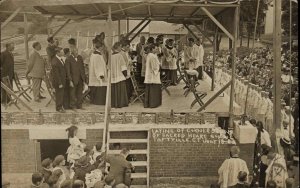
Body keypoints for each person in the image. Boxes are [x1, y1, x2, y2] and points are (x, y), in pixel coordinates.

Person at [88, 39, 107, 105]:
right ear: (101, 47)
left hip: (95, 74)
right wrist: (101, 74)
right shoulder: (97, 56)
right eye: (103, 47)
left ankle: (95, 101)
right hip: (98, 75)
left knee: (96, 88)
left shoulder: (95, 54)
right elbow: (98, 66)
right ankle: (98, 102)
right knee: (99, 88)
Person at [110, 42, 129, 108]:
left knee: (114, 91)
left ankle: (114, 104)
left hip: (113, 76)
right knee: (120, 91)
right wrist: (125, 75)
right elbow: (123, 67)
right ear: (117, 47)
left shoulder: (111, 56)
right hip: (119, 75)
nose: (121, 48)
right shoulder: (119, 56)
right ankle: (121, 103)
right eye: (120, 47)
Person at [144, 44, 162, 108]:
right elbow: (154, 67)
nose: (156, 50)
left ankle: (149, 103)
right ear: (152, 49)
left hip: (150, 74)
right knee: (153, 89)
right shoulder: (152, 56)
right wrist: (159, 68)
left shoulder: (150, 55)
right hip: (152, 75)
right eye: (155, 49)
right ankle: (153, 104)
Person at [50, 47, 67, 113]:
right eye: (62, 52)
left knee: (61, 94)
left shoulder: (59, 59)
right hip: (58, 81)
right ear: (57, 53)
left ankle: (61, 106)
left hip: (62, 80)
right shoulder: (55, 61)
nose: (63, 53)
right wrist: (59, 83)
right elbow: (56, 75)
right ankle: (59, 108)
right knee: (59, 94)